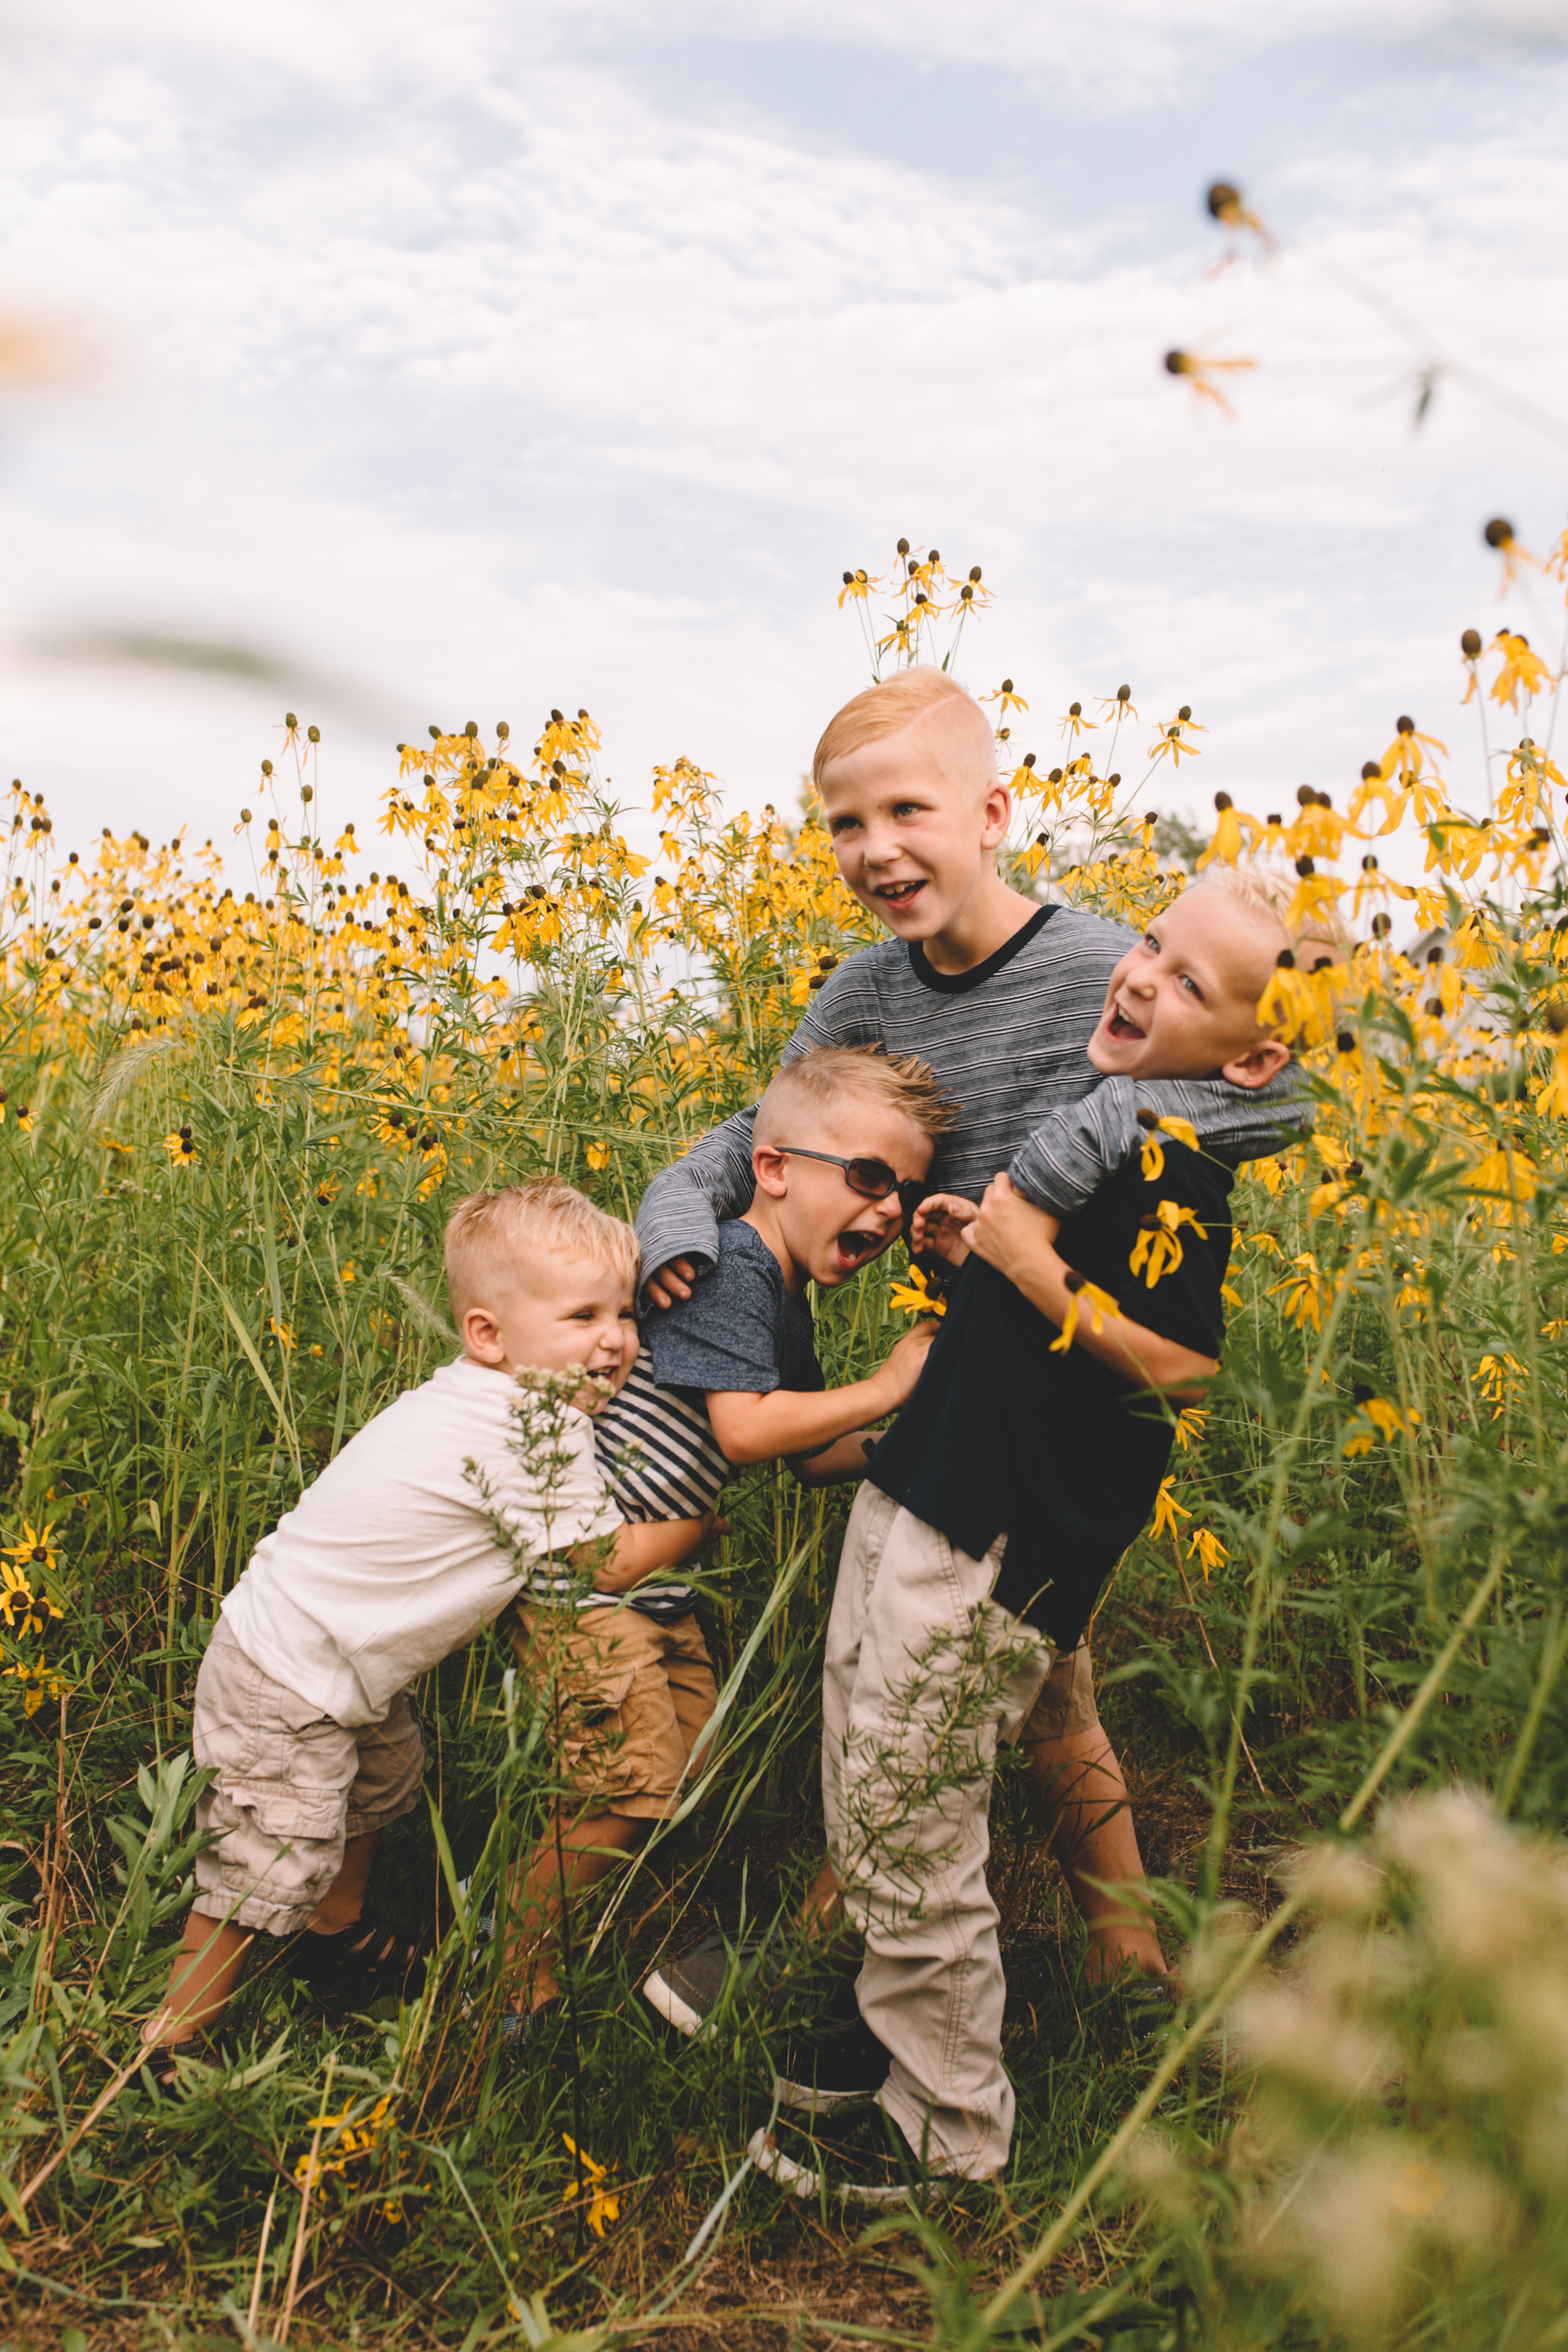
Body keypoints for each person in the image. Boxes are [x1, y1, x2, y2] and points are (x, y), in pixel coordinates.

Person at [635, 666, 1305, 2023]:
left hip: (1077, 1370)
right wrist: (664, 1233)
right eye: (845, 823)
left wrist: (1055, 1189)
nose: (876, 848)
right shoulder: (868, 987)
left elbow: (1266, 1089)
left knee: (959, 1673)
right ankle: (1122, 1963)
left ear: (993, 813)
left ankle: (827, 1953)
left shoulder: (1101, 964)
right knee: (1037, 1666)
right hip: (971, 1371)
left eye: (907, 810)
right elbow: (758, 1129)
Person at [751, 865, 1293, 2203]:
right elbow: (1028, 1303)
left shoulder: (1174, 1162)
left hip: (1001, 1524)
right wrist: (966, 1246)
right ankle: (881, 2041)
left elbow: (1175, 1363)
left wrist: (1028, 1265)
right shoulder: (1104, 1125)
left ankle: (947, 2128)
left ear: (1256, 1052)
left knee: (917, 1802)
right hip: (933, 1481)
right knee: (868, 1760)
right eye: (1151, 945)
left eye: (1188, 983)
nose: (1140, 975)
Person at [140, 1180, 709, 2085]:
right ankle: (171, 2042)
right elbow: (609, 1564)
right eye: (580, 1317)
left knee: (385, 1775)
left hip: (323, 1658)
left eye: (624, 1312)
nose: (615, 1339)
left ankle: (338, 1928)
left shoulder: (483, 1396)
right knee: (268, 1853)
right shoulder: (533, 1431)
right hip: (287, 1675)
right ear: (490, 1335)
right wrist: (700, 1515)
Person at [500, 1045, 947, 2024]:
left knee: (673, 1770)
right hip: (593, 1580)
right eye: (868, 1177)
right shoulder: (735, 1264)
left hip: (652, 1585)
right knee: (627, 1786)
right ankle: (514, 1979)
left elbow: (809, 1453)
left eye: (904, 1194)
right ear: (774, 1168)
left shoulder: (785, 1299)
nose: (885, 1210)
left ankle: (573, 1930)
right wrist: (889, 1385)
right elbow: (746, 1428)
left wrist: (916, 1430)